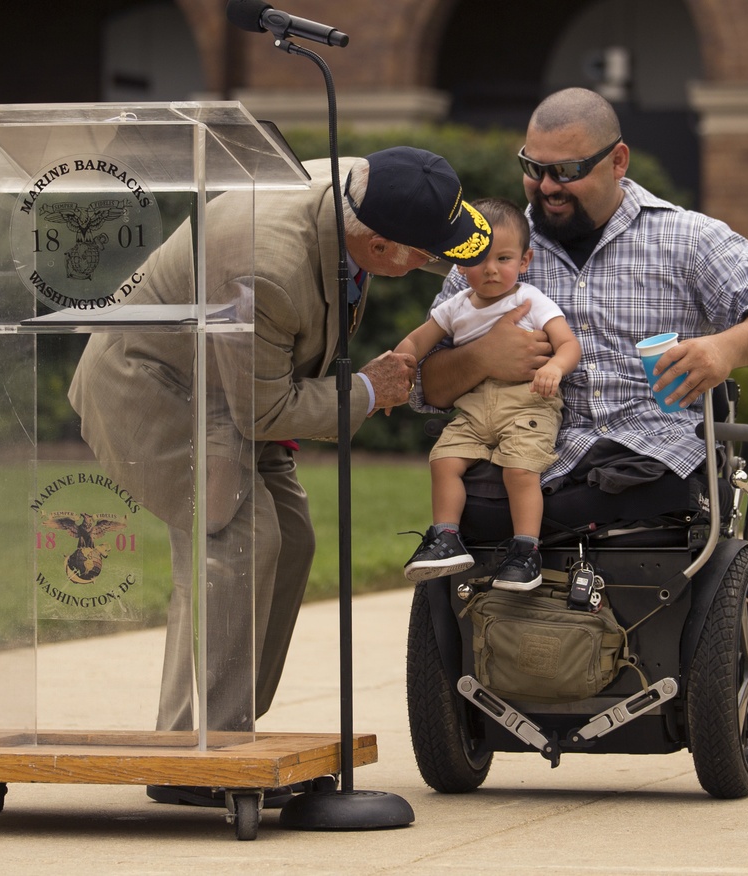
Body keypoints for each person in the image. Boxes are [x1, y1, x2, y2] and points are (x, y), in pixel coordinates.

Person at [68, 146, 491, 804]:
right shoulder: (268, 267)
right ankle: (193, 758)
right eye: (426, 253)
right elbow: (264, 409)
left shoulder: (359, 187)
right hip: (157, 386)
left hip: (228, 379)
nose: (436, 264)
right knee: (240, 540)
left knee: (292, 537)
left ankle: (231, 732)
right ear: (379, 244)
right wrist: (367, 392)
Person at [413, 88, 748, 572]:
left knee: (653, 490)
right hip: (524, 452)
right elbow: (423, 386)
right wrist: (481, 357)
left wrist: (724, 348)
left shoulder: (687, 239)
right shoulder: (493, 251)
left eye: (566, 171)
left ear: (618, 160)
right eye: (533, 168)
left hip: (651, 454)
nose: (545, 186)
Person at [395, 198, 580, 589]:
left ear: (524, 261)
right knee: (443, 460)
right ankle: (446, 537)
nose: (491, 269)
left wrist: (553, 367)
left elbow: (569, 345)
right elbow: (417, 340)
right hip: (474, 408)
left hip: (527, 401)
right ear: (461, 262)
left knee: (519, 469)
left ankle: (526, 550)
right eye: (479, 259)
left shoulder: (530, 301)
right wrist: (397, 366)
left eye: (505, 258)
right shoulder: (455, 306)